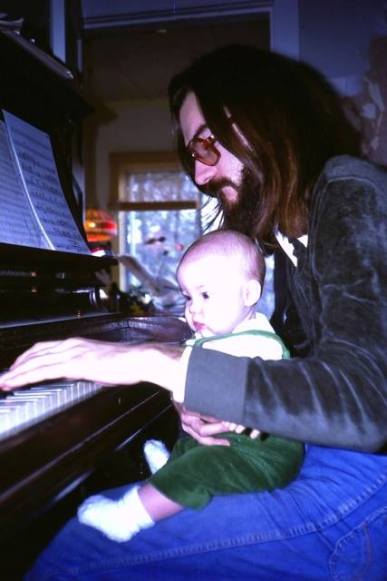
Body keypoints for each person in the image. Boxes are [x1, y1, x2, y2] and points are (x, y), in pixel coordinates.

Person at [1, 44, 386, 579]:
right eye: (191, 156)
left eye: (206, 146)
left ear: (267, 117)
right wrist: (214, 394)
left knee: (82, 551)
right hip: (326, 454)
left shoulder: (349, 191)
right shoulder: (294, 236)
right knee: (108, 513)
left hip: (369, 479)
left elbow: (364, 403)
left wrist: (161, 362)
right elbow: (294, 362)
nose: (200, 176)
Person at [76, 229, 303, 543]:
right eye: (188, 297)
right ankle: (171, 469)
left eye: (205, 295)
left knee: (202, 465)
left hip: (262, 457)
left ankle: (127, 517)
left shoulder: (261, 344)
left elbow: (191, 372)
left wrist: (137, 365)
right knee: (192, 440)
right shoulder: (217, 336)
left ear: (249, 295)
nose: (193, 308)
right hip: (232, 443)